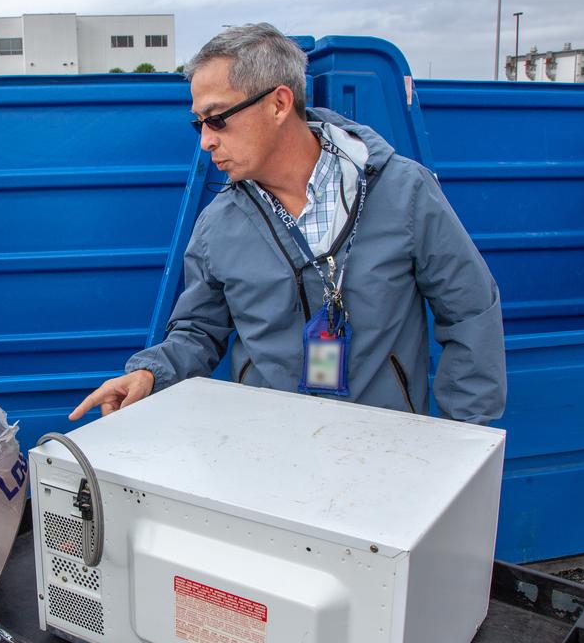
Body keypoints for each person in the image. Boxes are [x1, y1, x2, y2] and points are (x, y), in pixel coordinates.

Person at [71, 24, 505, 425]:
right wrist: (150, 373)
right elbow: (198, 331)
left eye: (217, 118)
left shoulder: (403, 192)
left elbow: (470, 311)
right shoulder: (216, 224)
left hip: (385, 449)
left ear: (279, 103)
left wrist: (463, 438)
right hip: (268, 455)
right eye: (198, 123)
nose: (206, 141)